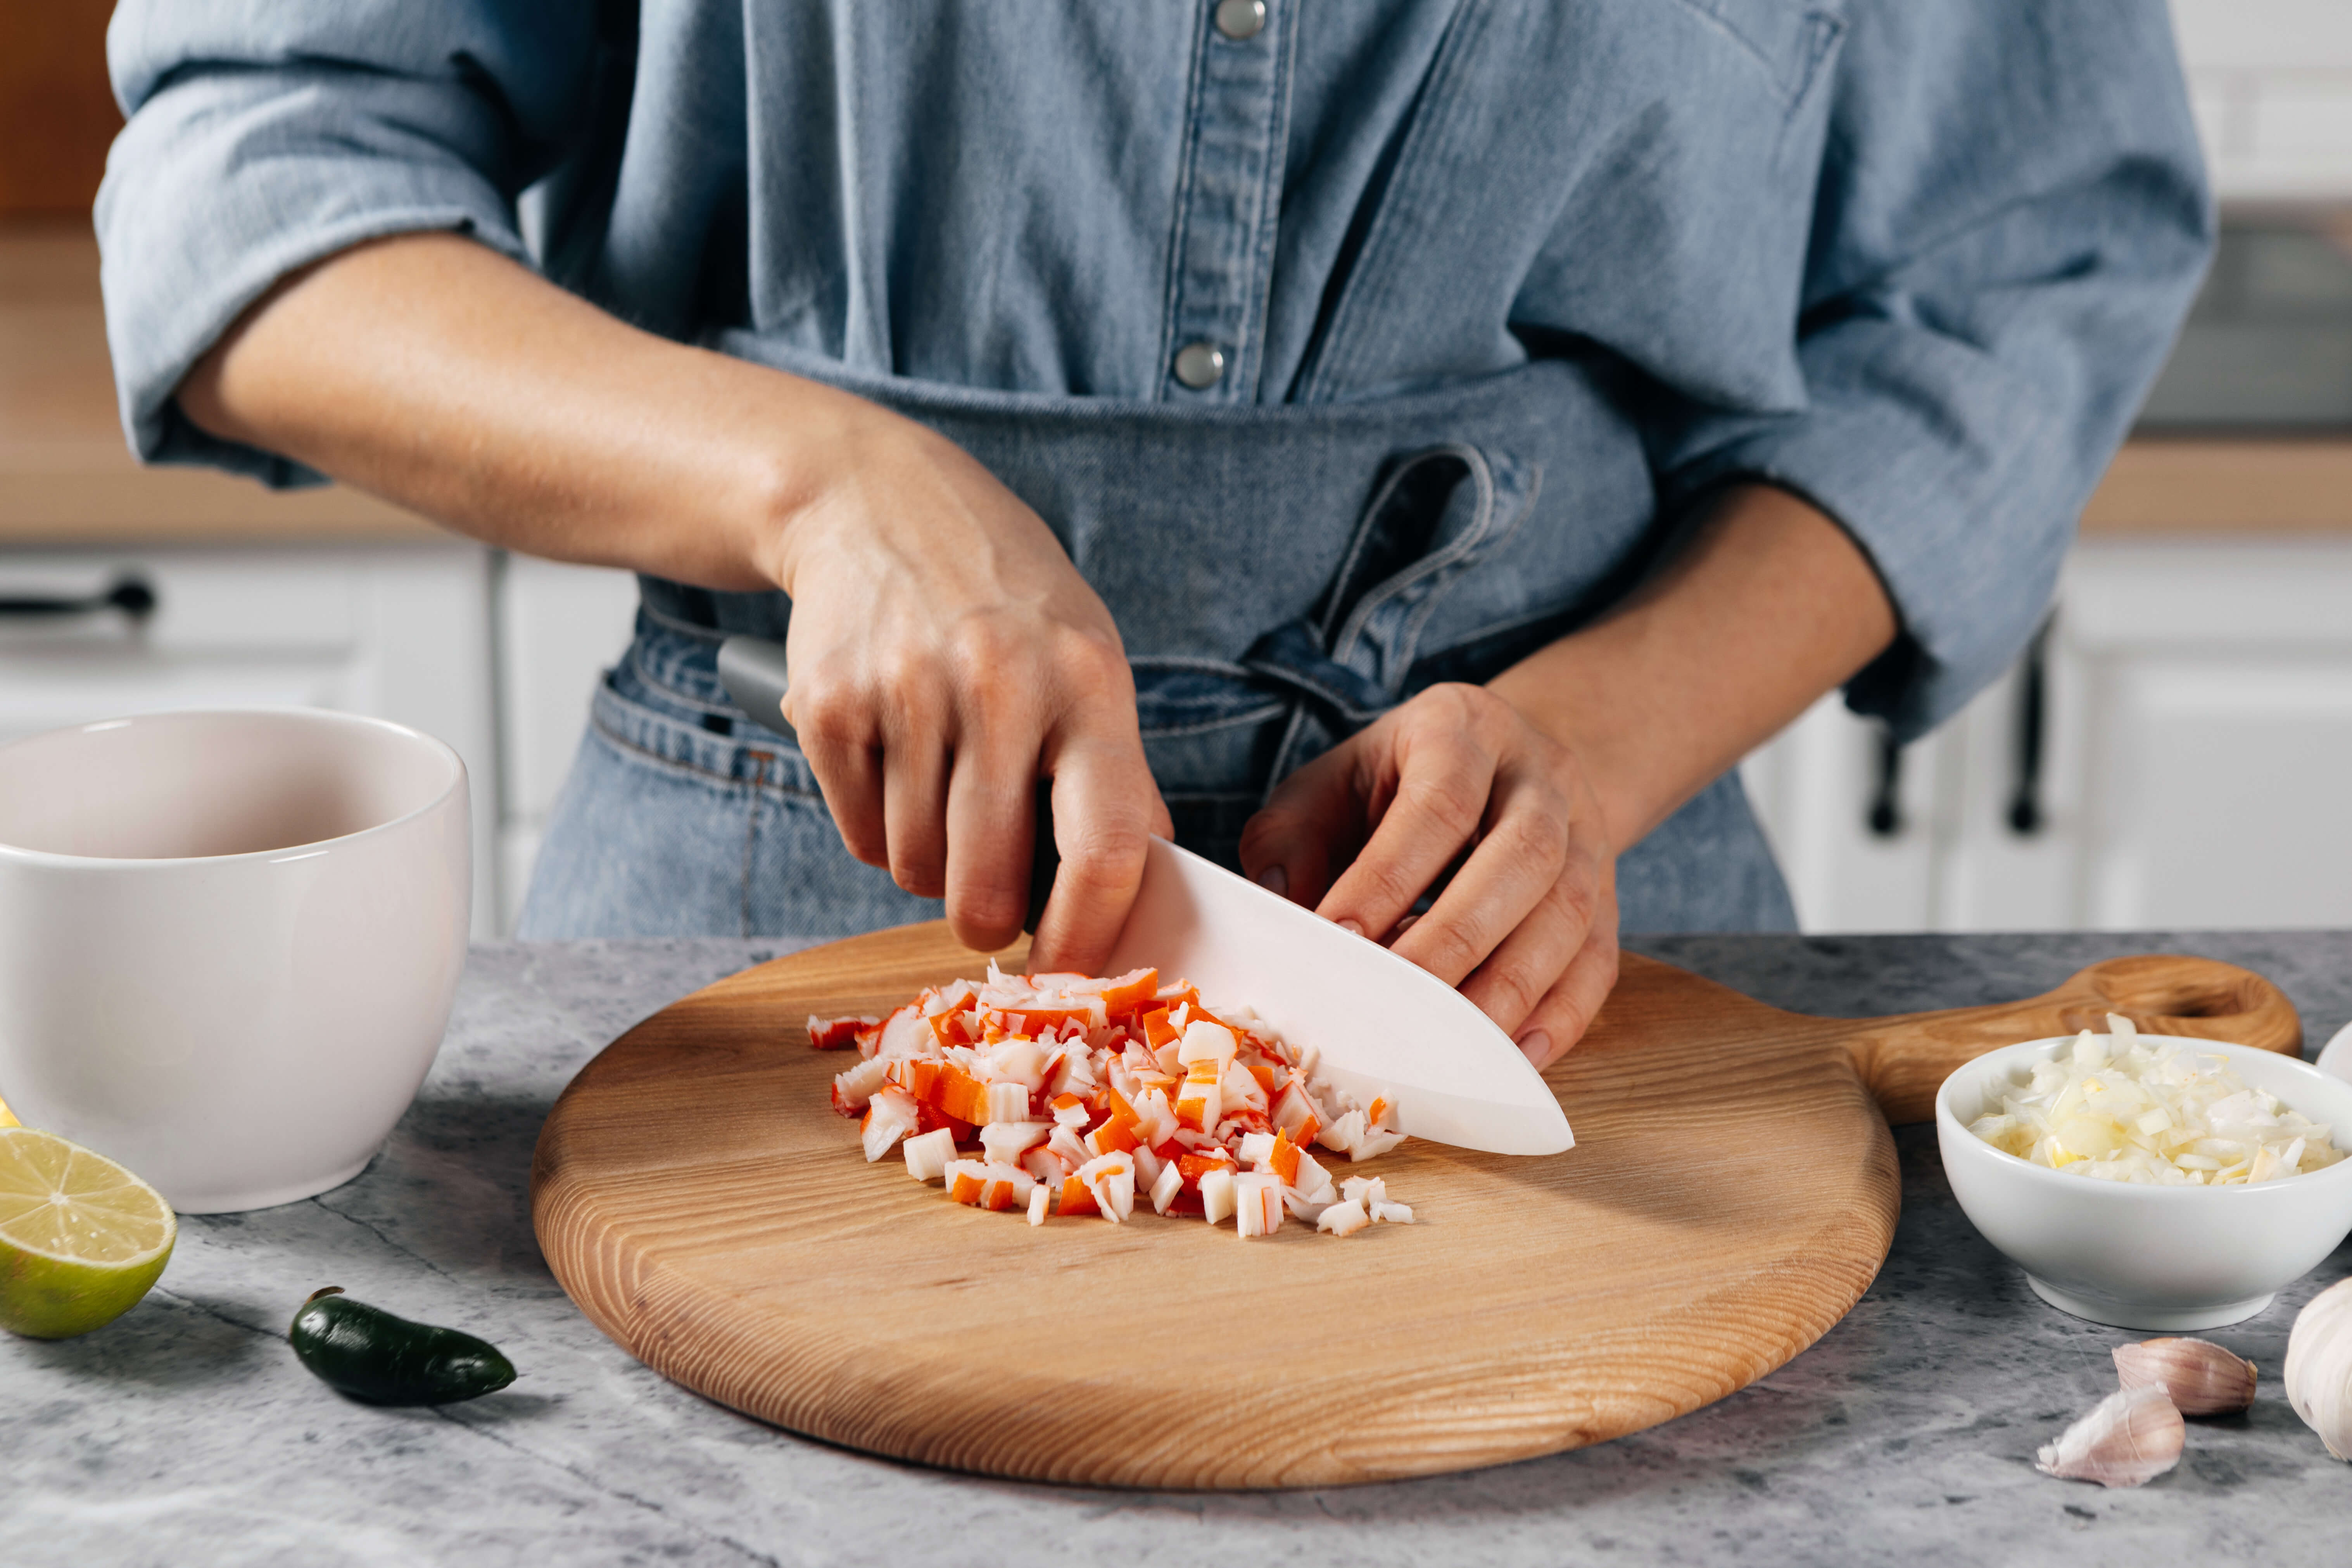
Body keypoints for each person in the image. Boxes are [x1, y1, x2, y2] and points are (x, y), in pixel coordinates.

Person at [97, 2, 2210, 1068]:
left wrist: (1600, 738)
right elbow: (251, 193)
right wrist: (825, 485)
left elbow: (2017, 276)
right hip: (763, 890)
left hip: (1561, 922)